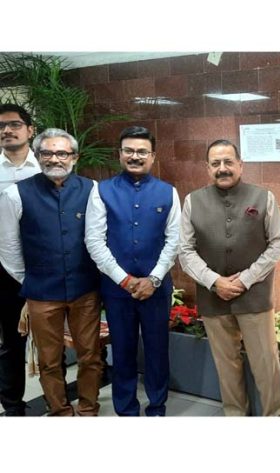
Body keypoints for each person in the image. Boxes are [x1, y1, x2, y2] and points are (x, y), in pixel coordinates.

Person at [179, 140, 280, 416]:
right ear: (207, 168)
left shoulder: (264, 197)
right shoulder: (193, 201)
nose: (222, 168)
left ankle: (275, 418)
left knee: (266, 366)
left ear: (240, 165)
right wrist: (214, 281)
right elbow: (185, 250)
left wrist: (245, 280)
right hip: (213, 298)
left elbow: (277, 243)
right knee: (227, 368)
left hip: (255, 298)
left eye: (228, 162)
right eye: (216, 163)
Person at [0, 128, 102, 416]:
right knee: (49, 360)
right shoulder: (15, 194)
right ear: (38, 155)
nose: (55, 158)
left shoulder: (91, 188)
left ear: (74, 156)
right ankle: (60, 412)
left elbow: (97, 238)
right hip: (42, 293)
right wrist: (29, 279)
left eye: (62, 153)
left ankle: (88, 408)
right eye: (47, 152)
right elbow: (7, 246)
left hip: (85, 289)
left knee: (90, 355)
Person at [85, 126, 180, 416]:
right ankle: (125, 410)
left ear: (152, 156)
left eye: (141, 151)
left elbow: (175, 240)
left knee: (157, 350)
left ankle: (156, 407)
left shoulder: (168, 192)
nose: (135, 156)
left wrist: (153, 279)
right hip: (117, 290)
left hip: (156, 288)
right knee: (122, 351)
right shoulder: (101, 191)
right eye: (129, 150)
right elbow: (94, 240)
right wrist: (124, 280)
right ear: (120, 154)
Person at [0, 104, 39, 416]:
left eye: (14, 124)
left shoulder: (46, 168)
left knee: (25, 338)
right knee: (9, 342)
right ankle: (11, 403)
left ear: (30, 130)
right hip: (0, 266)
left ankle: (16, 405)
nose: (6, 130)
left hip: (37, 264)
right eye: (1, 126)